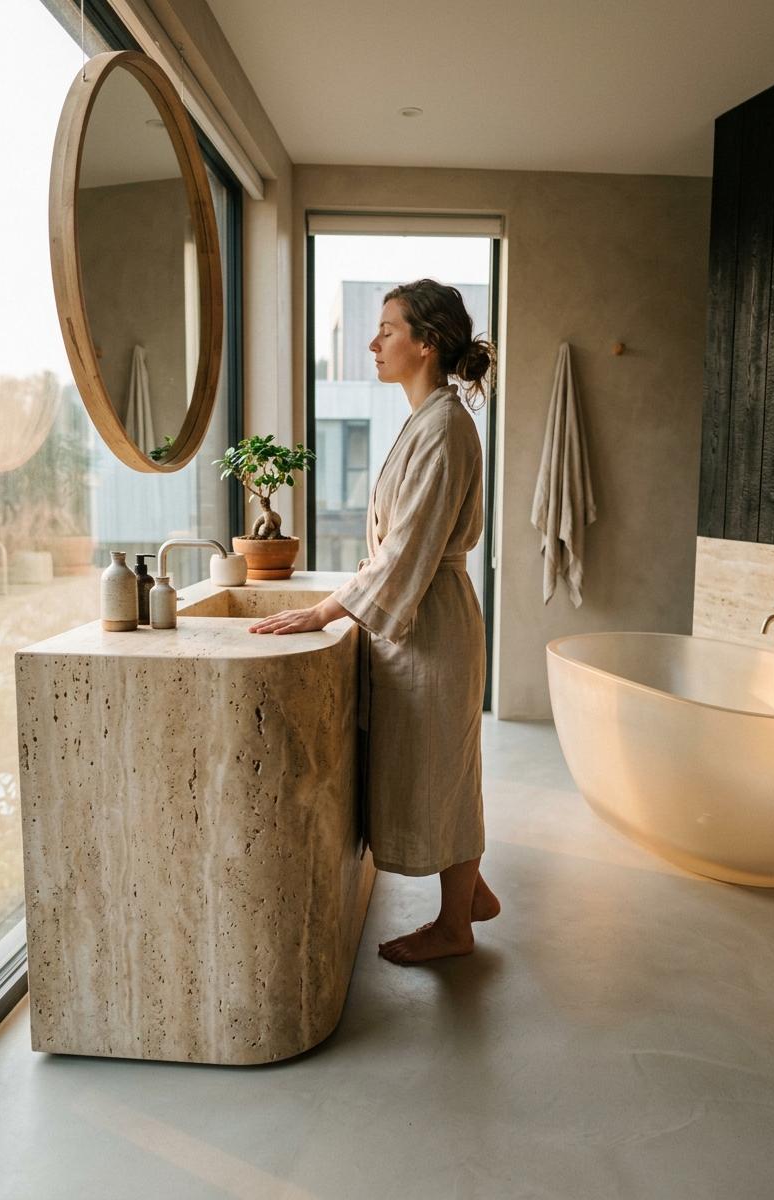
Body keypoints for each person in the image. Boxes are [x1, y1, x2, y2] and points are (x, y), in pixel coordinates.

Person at [248, 278, 500, 965]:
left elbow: (408, 547)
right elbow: (401, 548)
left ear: (426, 343)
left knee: (439, 770)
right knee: (445, 766)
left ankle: (454, 926)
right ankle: (468, 893)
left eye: (387, 329)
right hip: (423, 616)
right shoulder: (428, 420)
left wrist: (327, 609)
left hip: (432, 624)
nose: (373, 341)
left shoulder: (445, 427)